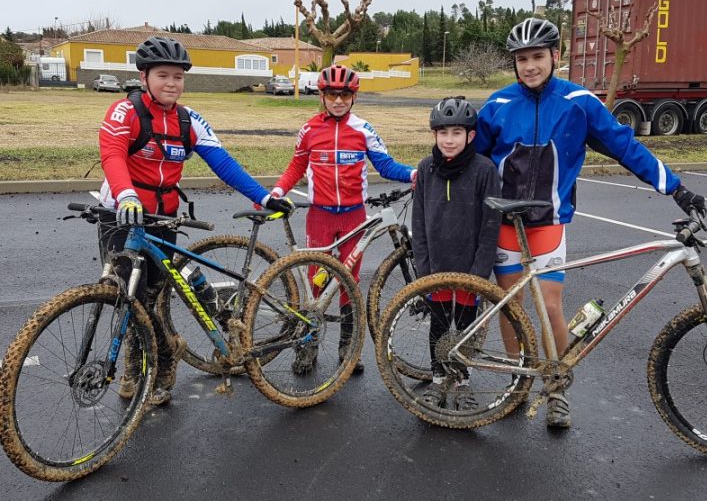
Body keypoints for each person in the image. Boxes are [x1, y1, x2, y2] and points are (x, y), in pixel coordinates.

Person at [475, 18, 707, 427]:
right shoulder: (497, 105)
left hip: (548, 223)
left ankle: (557, 386)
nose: (529, 66)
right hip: (506, 224)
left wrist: (676, 188)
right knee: (511, 307)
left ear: (555, 56)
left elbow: (625, 146)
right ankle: (518, 379)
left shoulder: (578, 101)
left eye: (537, 57)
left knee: (549, 306)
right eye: (522, 59)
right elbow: (472, 160)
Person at [98, 36, 293, 405]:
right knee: (127, 295)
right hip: (120, 213)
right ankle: (140, 364)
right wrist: (125, 194)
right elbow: (111, 153)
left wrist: (264, 196)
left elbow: (224, 164)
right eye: (162, 75)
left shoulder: (190, 120)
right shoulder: (124, 111)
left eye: (178, 76)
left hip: (162, 218)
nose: (171, 83)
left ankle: (162, 357)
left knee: (149, 299)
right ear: (144, 77)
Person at [271, 64, 417, 375]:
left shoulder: (363, 130)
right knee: (317, 281)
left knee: (349, 281)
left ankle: (347, 348)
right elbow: (295, 168)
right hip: (320, 217)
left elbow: (386, 166)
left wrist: (415, 173)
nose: (338, 100)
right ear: (321, 96)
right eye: (332, 95)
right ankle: (307, 346)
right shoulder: (309, 130)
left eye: (345, 95)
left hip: (354, 218)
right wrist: (278, 190)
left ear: (354, 97)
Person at [412, 97, 502, 410]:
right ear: (434, 135)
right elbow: (419, 222)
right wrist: (423, 268)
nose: (449, 139)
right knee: (438, 327)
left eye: (457, 133)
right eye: (443, 132)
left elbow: (491, 227)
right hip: (435, 268)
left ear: (470, 136)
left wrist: (479, 273)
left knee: (463, 329)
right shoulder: (426, 168)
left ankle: (462, 382)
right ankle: (438, 381)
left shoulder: (485, 170)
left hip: (469, 269)